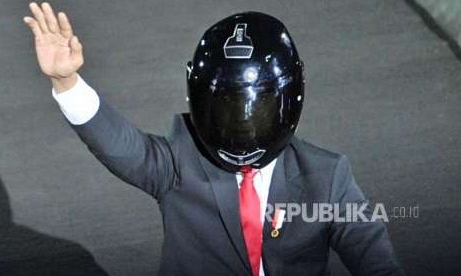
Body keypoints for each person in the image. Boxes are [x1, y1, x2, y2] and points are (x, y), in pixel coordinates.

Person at [24, 2, 405, 276]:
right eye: (225, 108)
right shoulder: (179, 162)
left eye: (257, 110)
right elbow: (121, 146)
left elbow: (373, 254)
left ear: (290, 101)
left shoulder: (328, 177)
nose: (240, 125)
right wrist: (66, 81)